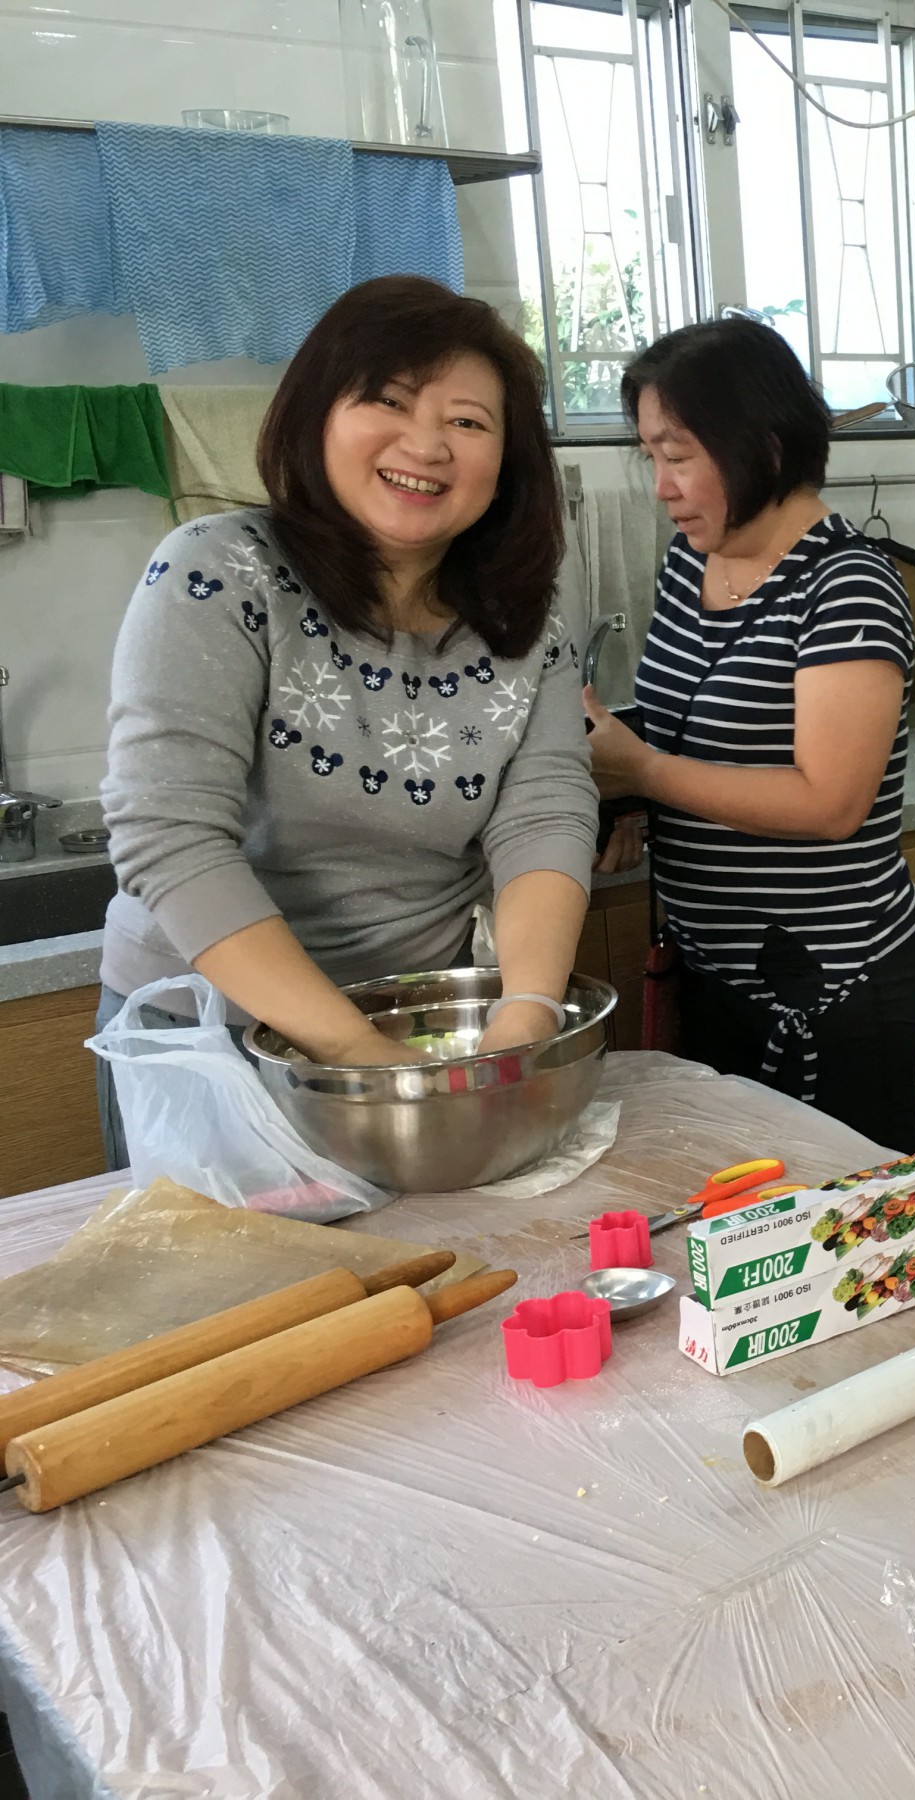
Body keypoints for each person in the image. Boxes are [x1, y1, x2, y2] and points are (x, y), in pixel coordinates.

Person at [97, 276, 595, 1157]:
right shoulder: (218, 573)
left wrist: (526, 1016)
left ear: (508, 459)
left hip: (427, 1024)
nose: (427, 445)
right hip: (211, 1032)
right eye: (389, 401)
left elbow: (546, 813)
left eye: (468, 421)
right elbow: (170, 834)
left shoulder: (524, 618)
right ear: (317, 414)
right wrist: (360, 1057)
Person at [583, 319, 915, 1152]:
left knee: (844, 1209)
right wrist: (627, 799)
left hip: (829, 986)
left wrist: (645, 772)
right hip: (714, 968)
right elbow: (694, 727)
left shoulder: (848, 585)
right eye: (649, 457)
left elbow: (829, 803)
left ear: (765, 447)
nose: (661, 486)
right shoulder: (688, 563)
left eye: (678, 455)